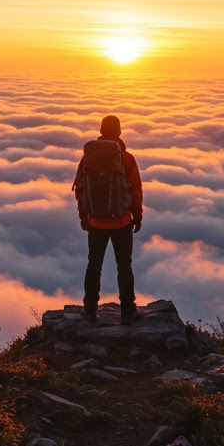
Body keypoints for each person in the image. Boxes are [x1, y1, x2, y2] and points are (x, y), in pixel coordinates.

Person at [75, 114, 143, 324]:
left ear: (102, 130)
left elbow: (80, 188)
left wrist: (84, 215)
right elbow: (136, 189)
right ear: (119, 132)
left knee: (94, 263)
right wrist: (137, 215)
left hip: (95, 221)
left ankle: (90, 309)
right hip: (122, 221)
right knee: (124, 264)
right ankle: (128, 310)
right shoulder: (126, 158)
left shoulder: (88, 157)